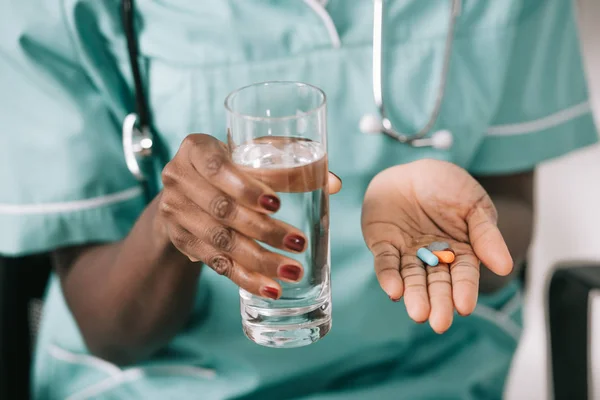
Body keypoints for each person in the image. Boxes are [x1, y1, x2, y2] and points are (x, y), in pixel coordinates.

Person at [0, 1, 597, 399]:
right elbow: (111, 331)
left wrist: (458, 231)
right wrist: (172, 226)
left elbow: (509, 222)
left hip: (422, 376)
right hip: (175, 385)